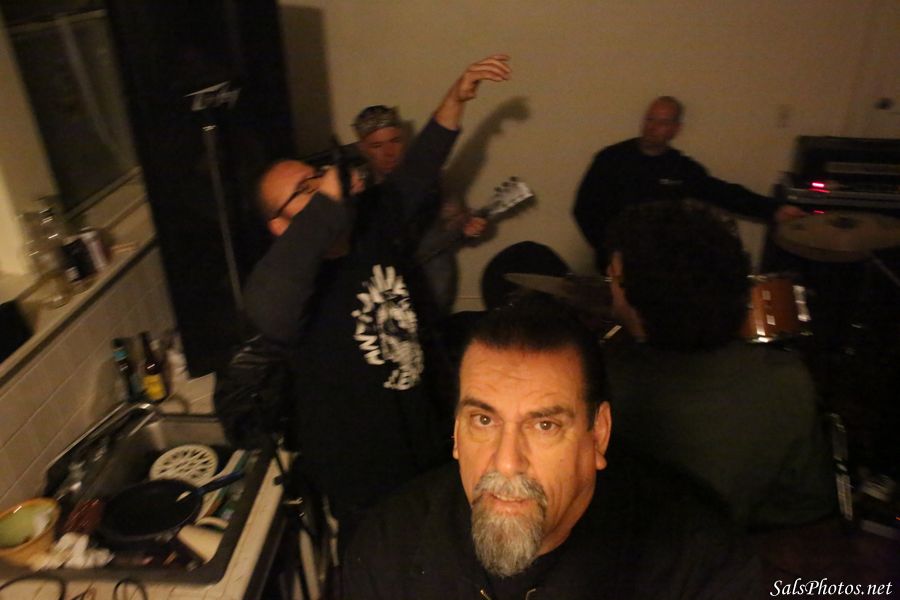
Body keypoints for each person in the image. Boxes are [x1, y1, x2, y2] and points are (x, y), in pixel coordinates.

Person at [243, 54, 512, 547]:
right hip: (364, 476)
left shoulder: (370, 224)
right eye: (303, 190)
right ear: (279, 226)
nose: (321, 187)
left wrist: (457, 97)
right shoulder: (290, 280)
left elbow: (419, 167)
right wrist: (326, 203)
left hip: (424, 436)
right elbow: (266, 309)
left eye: (316, 177)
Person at [343, 294, 761, 599]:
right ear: (456, 432)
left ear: (598, 434)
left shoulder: (696, 565)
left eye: (544, 425)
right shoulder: (390, 547)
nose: (507, 463)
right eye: (484, 420)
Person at [603, 200, 836, 528]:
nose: (608, 282)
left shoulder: (609, 385)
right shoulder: (789, 379)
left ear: (640, 303)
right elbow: (808, 507)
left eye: (614, 278)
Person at [573, 95, 805, 267]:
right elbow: (583, 208)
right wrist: (608, 249)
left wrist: (773, 209)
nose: (652, 128)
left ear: (675, 129)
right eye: (649, 119)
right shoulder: (610, 159)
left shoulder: (681, 168)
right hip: (614, 261)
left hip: (660, 265)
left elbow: (723, 193)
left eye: (662, 122)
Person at [353, 104, 488, 316]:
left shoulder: (427, 178)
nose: (389, 152)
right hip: (380, 294)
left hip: (432, 286)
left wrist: (469, 226)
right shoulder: (357, 185)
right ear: (362, 148)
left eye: (395, 141)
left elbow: (455, 222)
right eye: (377, 145)